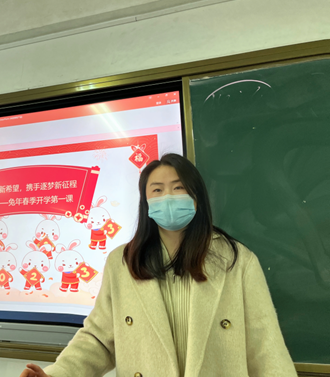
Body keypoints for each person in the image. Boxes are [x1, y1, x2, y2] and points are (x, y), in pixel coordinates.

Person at [20, 153, 296, 377]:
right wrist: (57, 374)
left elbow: (266, 347)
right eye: (157, 190)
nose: (168, 197)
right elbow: (98, 340)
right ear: (146, 202)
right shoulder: (122, 262)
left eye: (178, 187)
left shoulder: (237, 260)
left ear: (197, 197)